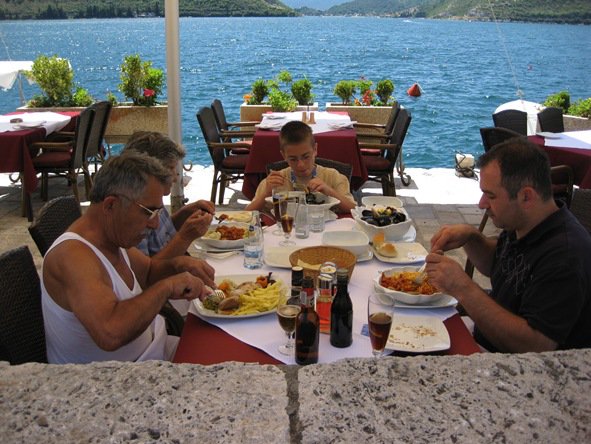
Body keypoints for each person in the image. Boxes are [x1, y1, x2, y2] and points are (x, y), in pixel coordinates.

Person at [41, 152, 216, 364]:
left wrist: (179, 265)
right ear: (111, 205)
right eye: (148, 212)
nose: (155, 224)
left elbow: (148, 273)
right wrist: (167, 287)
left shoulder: (112, 238)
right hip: (114, 383)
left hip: (153, 353)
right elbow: (110, 333)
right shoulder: (72, 256)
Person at [426, 138, 591, 353]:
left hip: (518, 370)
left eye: (491, 195)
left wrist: (463, 288)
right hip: (484, 339)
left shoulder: (565, 256)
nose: (481, 204)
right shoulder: (525, 223)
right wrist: (472, 238)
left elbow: (535, 345)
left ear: (526, 196)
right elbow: (500, 266)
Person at [123, 131, 215, 259]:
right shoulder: (134, 210)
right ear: (149, 169)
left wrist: (185, 213)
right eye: (170, 169)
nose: (174, 178)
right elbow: (146, 274)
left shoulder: (152, 197)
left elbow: (160, 234)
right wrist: (184, 237)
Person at [245, 120, 356, 212]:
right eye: (293, 159)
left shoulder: (333, 176)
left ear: (315, 149)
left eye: (306, 157)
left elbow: (354, 209)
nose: (301, 165)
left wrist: (329, 191)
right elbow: (246, 214)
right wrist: (266, 193)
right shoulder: (274, 181)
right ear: (284, 155)